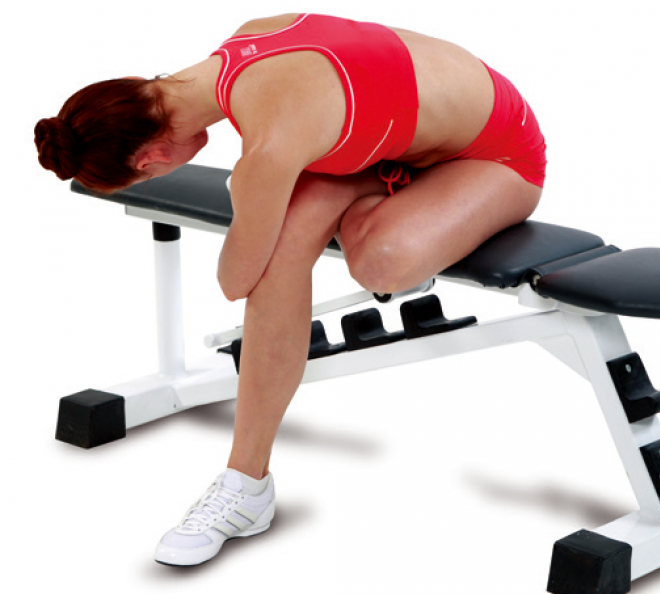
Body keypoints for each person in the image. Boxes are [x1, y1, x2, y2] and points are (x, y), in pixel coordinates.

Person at [34, 12, 546, 566]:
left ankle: (387, 196)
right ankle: (246, 485)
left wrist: (252, 194)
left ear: (150, 159)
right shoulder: (250, 34)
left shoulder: (270, 147)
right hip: (405, 144)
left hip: (497, 153)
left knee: (380, 260)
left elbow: (233, 281)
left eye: (149, 177)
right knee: (283, 243)